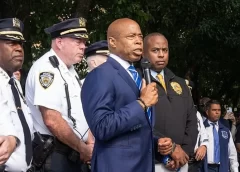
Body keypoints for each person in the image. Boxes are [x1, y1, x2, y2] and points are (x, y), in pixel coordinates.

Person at [81, 18, 167, 172]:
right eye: (131, 37)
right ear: (112, 42)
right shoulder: (100, 75)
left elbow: (132, 133)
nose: (138, 41)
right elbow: (101, 127)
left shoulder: (137, 76)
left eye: (140, 36)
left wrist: (157, 144)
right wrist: (141, 103)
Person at [25, 17, 94, 172]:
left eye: (84, 42)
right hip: (56, 154)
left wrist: (88, 144)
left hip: (74, 153)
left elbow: (80, 112)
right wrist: (82, 147)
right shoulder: (46, 70)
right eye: (78, 41)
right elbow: (52, 120)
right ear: (60, 42)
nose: (83, 46)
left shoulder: (70, 69)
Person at [142, 32, 198, 172]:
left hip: (181, 161)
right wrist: (168, 152)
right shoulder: (137, 80)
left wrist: (184, 151)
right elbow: (140, 122)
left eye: (165, 50)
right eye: (155, 50)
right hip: (153, 161)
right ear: (143, 53)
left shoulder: (180, 82)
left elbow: (191, 120)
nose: (161, 55)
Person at [0, 18, 33, 171]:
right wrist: (12, 139)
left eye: (20, 44)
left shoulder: (13, 81)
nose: (19, 48)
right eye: (11, 43)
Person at [203, 100, 238, 172]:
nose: (217, 112)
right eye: (214, 110)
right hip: (206, 168)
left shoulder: (225, 130)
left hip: (222, 167)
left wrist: (235, 169)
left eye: (219, 110)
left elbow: (232, 153)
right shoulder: (202, 128)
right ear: (207, 112)